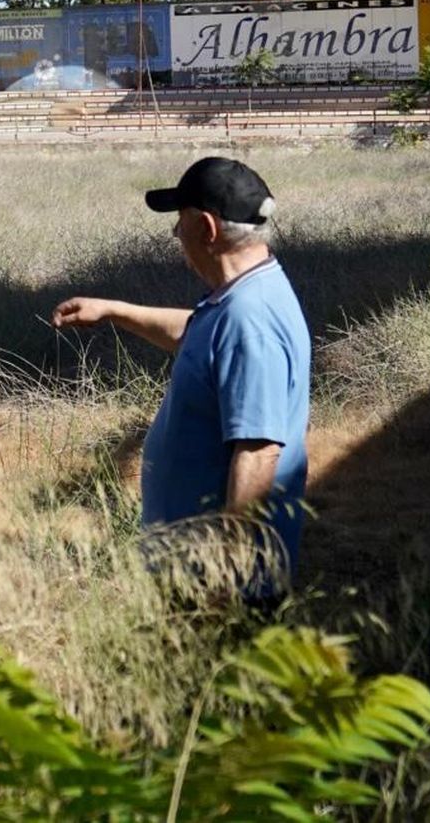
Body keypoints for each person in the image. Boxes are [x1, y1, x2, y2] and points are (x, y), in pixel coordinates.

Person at [51, 156, 311, 602]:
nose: (176, 237)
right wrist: (113, 310)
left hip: (216, 584)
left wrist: (227, 569)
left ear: (207, 229)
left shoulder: (251, 319)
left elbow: (258, 451)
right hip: (190, 567)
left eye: (179, 224)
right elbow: (197, 337)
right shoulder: (240, 298)